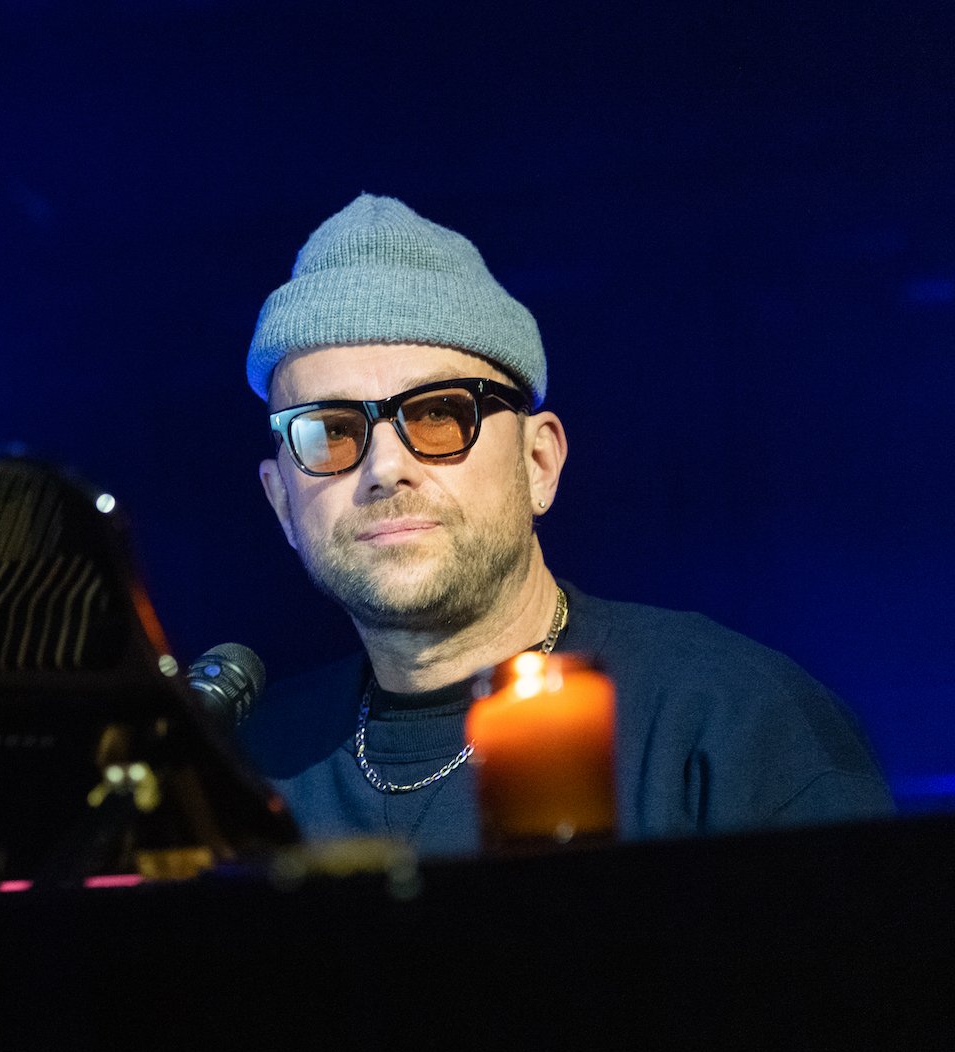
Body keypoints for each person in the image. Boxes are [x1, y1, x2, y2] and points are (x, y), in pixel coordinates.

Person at [235, 193, 892, 855]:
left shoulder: (732, 722)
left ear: (538, 463)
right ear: (282, 501)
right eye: (330, 431)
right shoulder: (240, 772)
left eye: (438, 414)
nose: (384, 468)